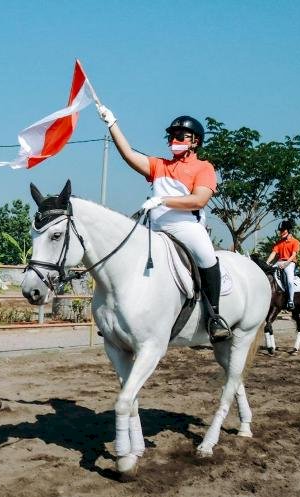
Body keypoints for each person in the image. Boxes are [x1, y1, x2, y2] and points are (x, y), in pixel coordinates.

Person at [95, 105, 231, 342]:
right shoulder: (160, 165)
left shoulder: (204, 167)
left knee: (208, 257)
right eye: (171, 136)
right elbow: (128, 154)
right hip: (155, 228)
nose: (173, 140)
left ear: (195, 141)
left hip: (185, 226)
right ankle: (119, 317)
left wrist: (162, 200)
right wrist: (112, 123)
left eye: (180, 136)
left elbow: (199, 199)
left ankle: (214, 317)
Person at [266, 219, 300, 310]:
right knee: (268, 274)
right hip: (279, 262)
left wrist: (286, 264)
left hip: (290, 262)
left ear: (288, 230)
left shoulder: (295, 242)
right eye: (280, 230)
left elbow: (293, 255)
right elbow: (273, 254)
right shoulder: (279, 243)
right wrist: (267, 263)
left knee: (289, 280)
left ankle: (291, 301)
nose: (281, 232)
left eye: (283, 230)